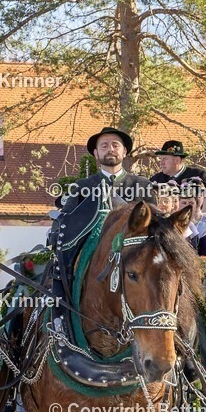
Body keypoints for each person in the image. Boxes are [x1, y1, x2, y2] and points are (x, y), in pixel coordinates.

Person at [48, 127, 153, 296]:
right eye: (104, 146)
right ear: (96, 154)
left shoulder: (142, 185)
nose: (110, 149)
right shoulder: (81, 187)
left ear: (124, 151)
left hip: (133, 255)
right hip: (90, 256)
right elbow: (65, 222)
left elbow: (153, 225)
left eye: (115, 145)